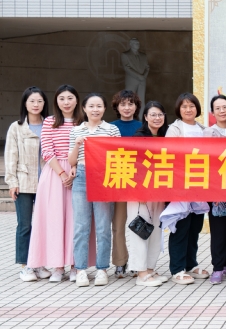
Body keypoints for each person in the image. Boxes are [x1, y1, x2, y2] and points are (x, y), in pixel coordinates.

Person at [27, 85, 86, 282]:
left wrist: (74, 168)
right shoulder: (49, 122)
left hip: (78, 173)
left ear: (77, 100)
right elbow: (46, 150)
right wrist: (62, 173)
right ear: (56, 102)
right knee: (54, 220)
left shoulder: (83, 122)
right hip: (53, 174)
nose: (66, 102)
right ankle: (57, 266)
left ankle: (76, 265)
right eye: (62, 98)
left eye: (70, 98)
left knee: (76, 220)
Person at [68, 93, 121, 287]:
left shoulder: (112, 129)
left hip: (104, 177)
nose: (95, 109)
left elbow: (118, 155)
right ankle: (81, 269)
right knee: (81, 227)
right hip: (82, 176)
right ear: (84, 108)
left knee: (103, 227)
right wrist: (77, 144)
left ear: (104, 108)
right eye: (91, 106)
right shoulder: (76, 131)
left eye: (99, 106)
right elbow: (71, 161)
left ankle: (102, 269)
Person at [6, 87, 51, 282]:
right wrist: (12, 182)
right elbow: (11, 156)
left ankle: (39, 263)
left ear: (44, 103)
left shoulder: (50, 125)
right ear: (25, 103)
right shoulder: (16, 127)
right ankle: (25, 266)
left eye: (39, 101)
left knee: (43, 225)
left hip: (47, 183)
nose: (36, 104)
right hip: (24, 183)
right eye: (32, 101)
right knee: (24, 225)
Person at [165, 93, 209, 285]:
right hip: (180, 185)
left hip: (200, 185)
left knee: (194, 227)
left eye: (191, 106)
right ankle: (177, 268)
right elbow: (170, 156)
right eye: (184, 106)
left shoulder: (204, 130)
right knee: (181, 227)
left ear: (197, 108)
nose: (188, 109)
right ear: (179, 109)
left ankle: (191, 264)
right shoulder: (174, 129)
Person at [129, 101, 169, 287]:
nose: (157, 118)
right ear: (145, 117)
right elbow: (133, 165)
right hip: (140, 192)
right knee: (140, 230)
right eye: (153, 114)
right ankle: (141, 273)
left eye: (160, 114)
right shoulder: (138, 137)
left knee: (155, 230)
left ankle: (150, 268)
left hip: (159, 191)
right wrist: (139, 190)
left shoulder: (165, 137)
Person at [203, 94, 226, 285]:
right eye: (218, 108)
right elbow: (207, 162)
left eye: (225, 107)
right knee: (218, 229)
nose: (222, 111)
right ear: (213, 112)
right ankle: (217, 267)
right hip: (217, 187)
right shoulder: (208, 133)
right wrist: (215, 188)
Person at [109, 89, 142, 279]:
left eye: (131, 104)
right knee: (119, 225)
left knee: (138, 223)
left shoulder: (143, 126)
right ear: (117, 107)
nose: (127, 107)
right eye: (123, 104)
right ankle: (120, 262)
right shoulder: (110, 128)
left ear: (136, 107)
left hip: (140, 182)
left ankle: (138, 263)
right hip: (119, 180)